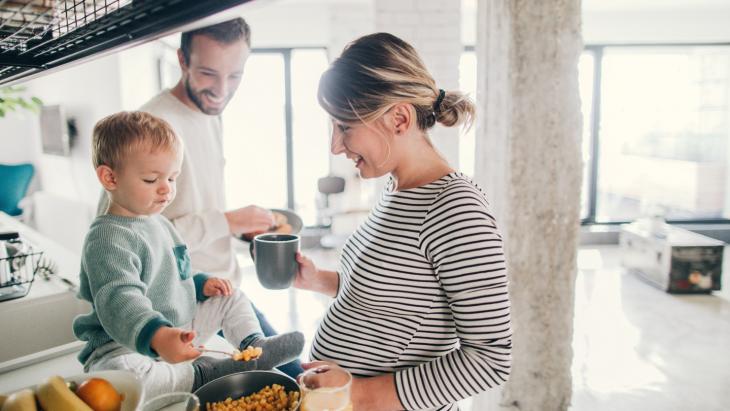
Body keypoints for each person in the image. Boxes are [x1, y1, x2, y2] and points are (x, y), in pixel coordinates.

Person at [294, 33, 513, 411]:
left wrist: (355, 393)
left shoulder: (457, 209)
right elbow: (394, 299)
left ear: (398, 118)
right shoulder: (396, 189)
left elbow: (490, 358)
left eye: (344, 126)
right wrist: (320, 280)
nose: (335, 145)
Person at [97, 18, 303, 377]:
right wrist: (226, 221)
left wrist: (239, 231)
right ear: (182, 60)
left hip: (220, 289)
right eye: (209, 73)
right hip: (182, 308)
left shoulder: (208, 113)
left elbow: (188, 207)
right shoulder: (152, 125)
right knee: (286, 380)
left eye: (235, 75)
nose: (221, 89)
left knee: (294, 376)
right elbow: (125, 231)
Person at [74, 111, 304, 397]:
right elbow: (120, 300)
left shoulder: (157, 222)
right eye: (150, 179)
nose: (166, 190)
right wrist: (157, 336)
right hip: (123, 344)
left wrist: (200, 283)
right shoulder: (107, 239)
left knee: (229, 296)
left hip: (176, 327)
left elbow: (174, 271)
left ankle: (254, 345)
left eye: (172, 178)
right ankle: (204, 373)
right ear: (109, 177)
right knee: (127, 376)